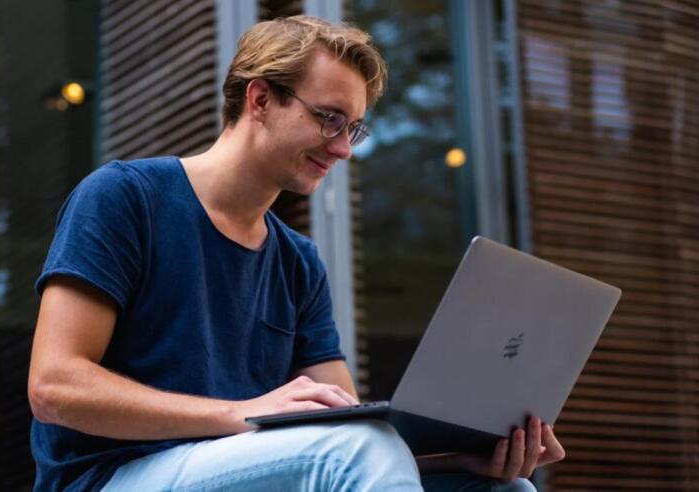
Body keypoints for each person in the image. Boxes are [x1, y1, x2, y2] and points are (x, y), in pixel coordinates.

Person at [28, 15, 565, 492]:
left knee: (500, 488)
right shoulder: (126, 197)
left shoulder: (298, 262)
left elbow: (347, 428)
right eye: (329, 118)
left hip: (240, 468)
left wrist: (464, 457)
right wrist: (241, 415)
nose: (344, 148)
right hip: (109, 478)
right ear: (259, 100)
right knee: (359, 449)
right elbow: (54, 386)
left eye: (353, 127)